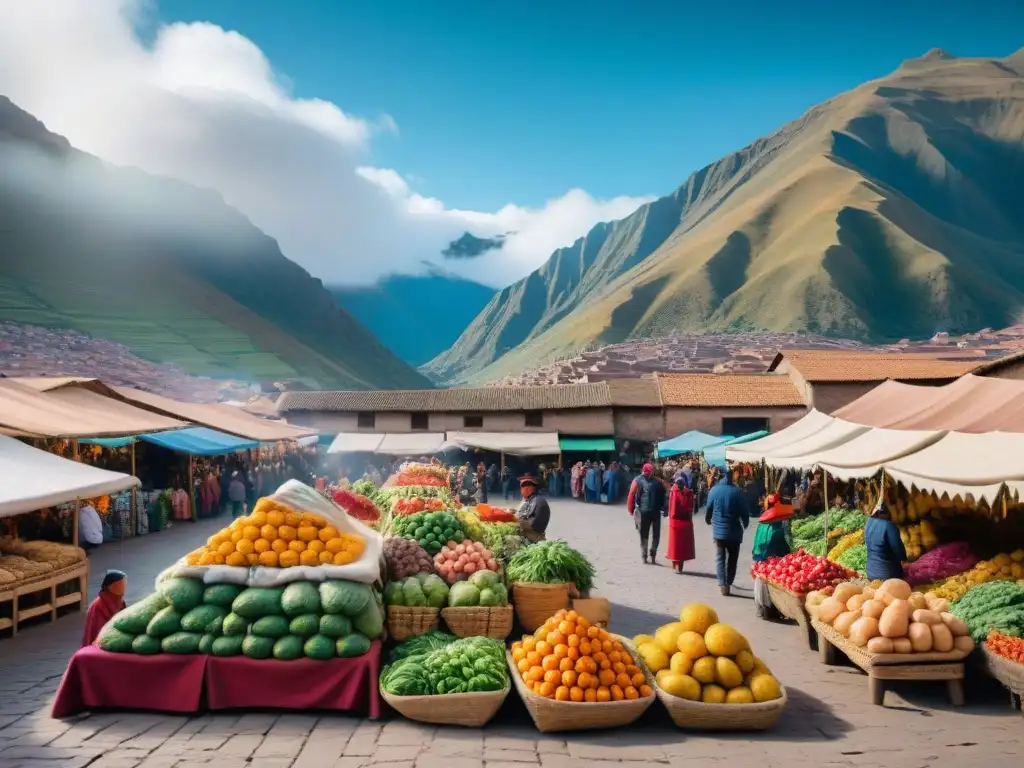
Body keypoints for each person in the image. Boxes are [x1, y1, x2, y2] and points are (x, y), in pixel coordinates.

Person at [705, 470, 750, 596]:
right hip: (734, 532)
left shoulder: (714, 490)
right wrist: (745, 523)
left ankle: (722, 583)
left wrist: (708, 519)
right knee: (733, 558)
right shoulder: (737, 492)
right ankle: (729, 582)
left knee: (720, 557)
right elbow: (745, 512)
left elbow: (709, 508)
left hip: (719, 531)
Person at [751, 493, 795, 618]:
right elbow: (785, 539)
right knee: (774, 583)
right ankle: (774, 608)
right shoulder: (780, 522)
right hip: (775, 555)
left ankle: (762, 608)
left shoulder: (764, 521)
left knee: (761, 582)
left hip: (761, 554)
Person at [627, 463, 668, 564]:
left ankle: (644, 555)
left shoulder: (638, 480)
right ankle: (653, 552)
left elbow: (632, 495)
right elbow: (666, 494)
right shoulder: (659, 482)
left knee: (643, 534)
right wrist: (665, 509)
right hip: (656, 512)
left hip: (643, 512)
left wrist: (631, 509)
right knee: (656, 534)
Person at [864, 499, 907, 581]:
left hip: (870, 572)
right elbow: (898, 548)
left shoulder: (869, 522)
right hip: (887, 574)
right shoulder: (888, 526)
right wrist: (904, 560)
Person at [82, 570, 127, 647]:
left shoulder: (120, 601)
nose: (125, 587)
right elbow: (98, 631)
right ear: (112, 586)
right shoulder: (98, 606)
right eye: (122, 584)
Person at [667, 471, 696, 573]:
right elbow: (691, 508)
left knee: (675, 546)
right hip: (685, 523)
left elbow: (671, 509)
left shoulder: (673, 492)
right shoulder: (689, 493)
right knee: (681, 546)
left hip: (675, 523)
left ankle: (676, 566)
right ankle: (679, 566)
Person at [516, 474, 550, 542]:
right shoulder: (533, 499)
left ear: (527, 488)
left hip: (535, 536)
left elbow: (533, 524)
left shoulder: (536, 501)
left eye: (522, 487)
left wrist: (513, 520)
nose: (521, 490)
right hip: (534, 531)